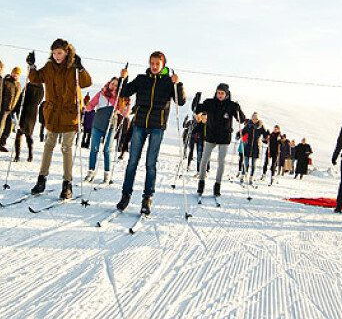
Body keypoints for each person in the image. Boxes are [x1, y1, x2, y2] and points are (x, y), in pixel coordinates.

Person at [115, 52, 186, 215]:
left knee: (150, 164)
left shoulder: (169, 82)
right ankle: (126, 195)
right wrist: (123, 78)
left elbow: (180, 101)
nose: (154, 66)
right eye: (152, 63)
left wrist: (178, 84)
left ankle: (147, 198)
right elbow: (124, 92)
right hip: (139, 124)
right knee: (132, 161)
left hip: (157, 126)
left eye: (157, 64)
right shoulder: (141, 79)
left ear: (163, 65)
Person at [27, 39, 92, 199]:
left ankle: (67, 183)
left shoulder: (73, 68)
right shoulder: (49, 67)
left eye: (60, 53)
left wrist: (81, 68)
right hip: (53, 113)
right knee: (49, 145)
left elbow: (86, 83)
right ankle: (41, 179)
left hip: (69, 114)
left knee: (66, 147)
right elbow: (36, 78)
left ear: (67, 53)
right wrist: (32, 66)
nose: (57, 56)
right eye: (55, 53)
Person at [194, 83, 245, 197]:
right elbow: (197, 109)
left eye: (222, 93)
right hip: (211, 135)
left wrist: (239, 109)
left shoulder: (231, 105)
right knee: (204, 159)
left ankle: (217, 185)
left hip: (224, 137)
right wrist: (196, 101)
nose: (220, 95)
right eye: (218, 93)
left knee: (221, 161)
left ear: (226, 94)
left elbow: (241, 120)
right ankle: (201, 183)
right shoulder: (210, 103)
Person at [85, 77, 128, 184]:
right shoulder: (101, 94)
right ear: (109, 83)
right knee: (94, 149)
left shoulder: (119, 98)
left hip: (110, 126)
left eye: (116, 85)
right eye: (112, 84)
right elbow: (90, 106)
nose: (113, 86)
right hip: (97, 125)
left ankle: (107, 175)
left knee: (107, 150)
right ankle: (90, 173)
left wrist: (126, 103)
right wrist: (86, 104)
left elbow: (124, 114)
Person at [13, 82, 44, 162]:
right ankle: (30, 155)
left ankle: (17, 155)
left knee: (19, 133)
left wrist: (16, 109)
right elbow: (40, 100)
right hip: (33, 112)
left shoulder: (28, 85)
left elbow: (21, 98)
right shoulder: (41, 87)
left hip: (24, 110)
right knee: (29, 134)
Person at [0, 67, 22, 152]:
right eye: (14, 73)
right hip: (3, 107)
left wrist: (16, 109)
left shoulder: (18, 85)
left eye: (17, 73)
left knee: (8, 128)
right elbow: (0, 94)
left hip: (11, 109)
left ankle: (2, 143)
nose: (15, 75)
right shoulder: (6, 82)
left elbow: (18, 98)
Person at [241, 113, 267, 182]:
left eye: (256, 119)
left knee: (253, 164)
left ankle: (251, 177)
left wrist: (265, 138)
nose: (254, 120)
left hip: (256, 147)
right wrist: (239, 134)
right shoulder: (249, 125)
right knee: (246, 162)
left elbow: (265, 134)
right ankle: (243, 175)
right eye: (253, 119)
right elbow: (243, 131)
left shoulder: (260, 126)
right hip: (248, 145)